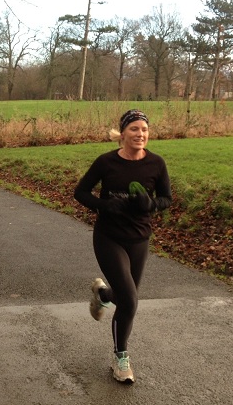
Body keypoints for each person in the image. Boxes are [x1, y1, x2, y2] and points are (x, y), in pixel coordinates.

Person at [74, 109, 172, 384]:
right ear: (123, 133)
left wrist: (151, 204)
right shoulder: (106, 162)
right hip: (109, 236)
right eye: (134, 129)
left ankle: (103, 294)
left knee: (125, 295)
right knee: (130, 299)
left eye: (144, 129)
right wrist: (104, 205)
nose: (140, 134)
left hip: (139, 237)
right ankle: (121, 358)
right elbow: (80, 192)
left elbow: (167, 198)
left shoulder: (156, 163)